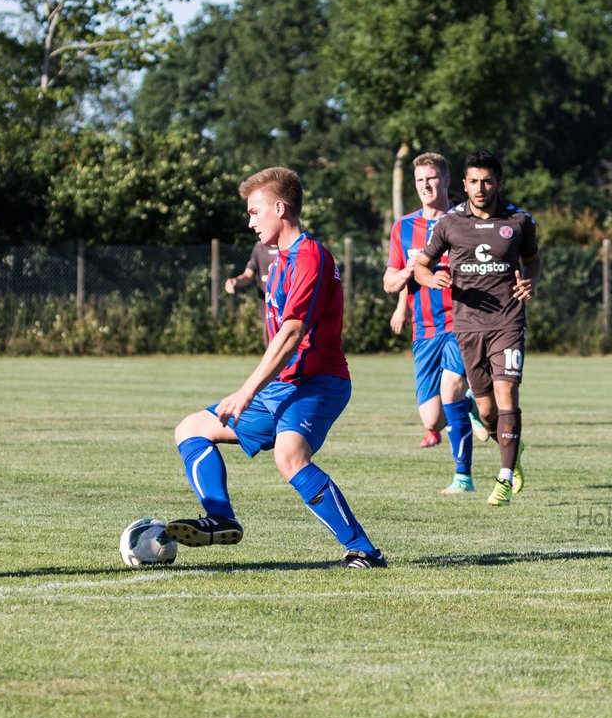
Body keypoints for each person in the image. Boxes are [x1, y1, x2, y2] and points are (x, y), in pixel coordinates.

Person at [166, 166, 387, 568]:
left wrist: (246, 390)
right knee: (190, 429)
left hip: (318, 382)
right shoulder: (280, 261)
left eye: (255, 211)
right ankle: (219, 519)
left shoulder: (310, 257)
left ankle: (364, 551)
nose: (250, 222)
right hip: (282, 386)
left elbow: (292, 332)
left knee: (289, 455)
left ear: (280, 208)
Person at [414, 150, 540, 507]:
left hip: (508, 322)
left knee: (506, 395)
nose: (480, 187)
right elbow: (421, 266)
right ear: (465, 184)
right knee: (486, 412)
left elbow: (532, 260)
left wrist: (530, 283)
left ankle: (503, 477)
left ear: (498, 183)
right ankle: (511, 444)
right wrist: (432, 277)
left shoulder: (519, 221)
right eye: (474, 181)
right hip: (467, 328)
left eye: (487, 181)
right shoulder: (450, 224)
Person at [384, 152, 477, 494]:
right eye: (420, 180)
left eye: (432, 178)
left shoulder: (465, 221)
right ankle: (473, 403)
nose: (426, 185)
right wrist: (412, 270)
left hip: (461, 322)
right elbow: (389, 282)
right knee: (432, 419)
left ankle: (462, 477)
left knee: (452, 385)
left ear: (447, 180)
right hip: (424, 331)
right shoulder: (403, 227)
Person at [225, 240, 280, 335]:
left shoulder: (291, 246)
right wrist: (235, 281)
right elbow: (247, 276)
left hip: (287, 310)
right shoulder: (259, 247)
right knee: (270, 346)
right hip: (267, 312)